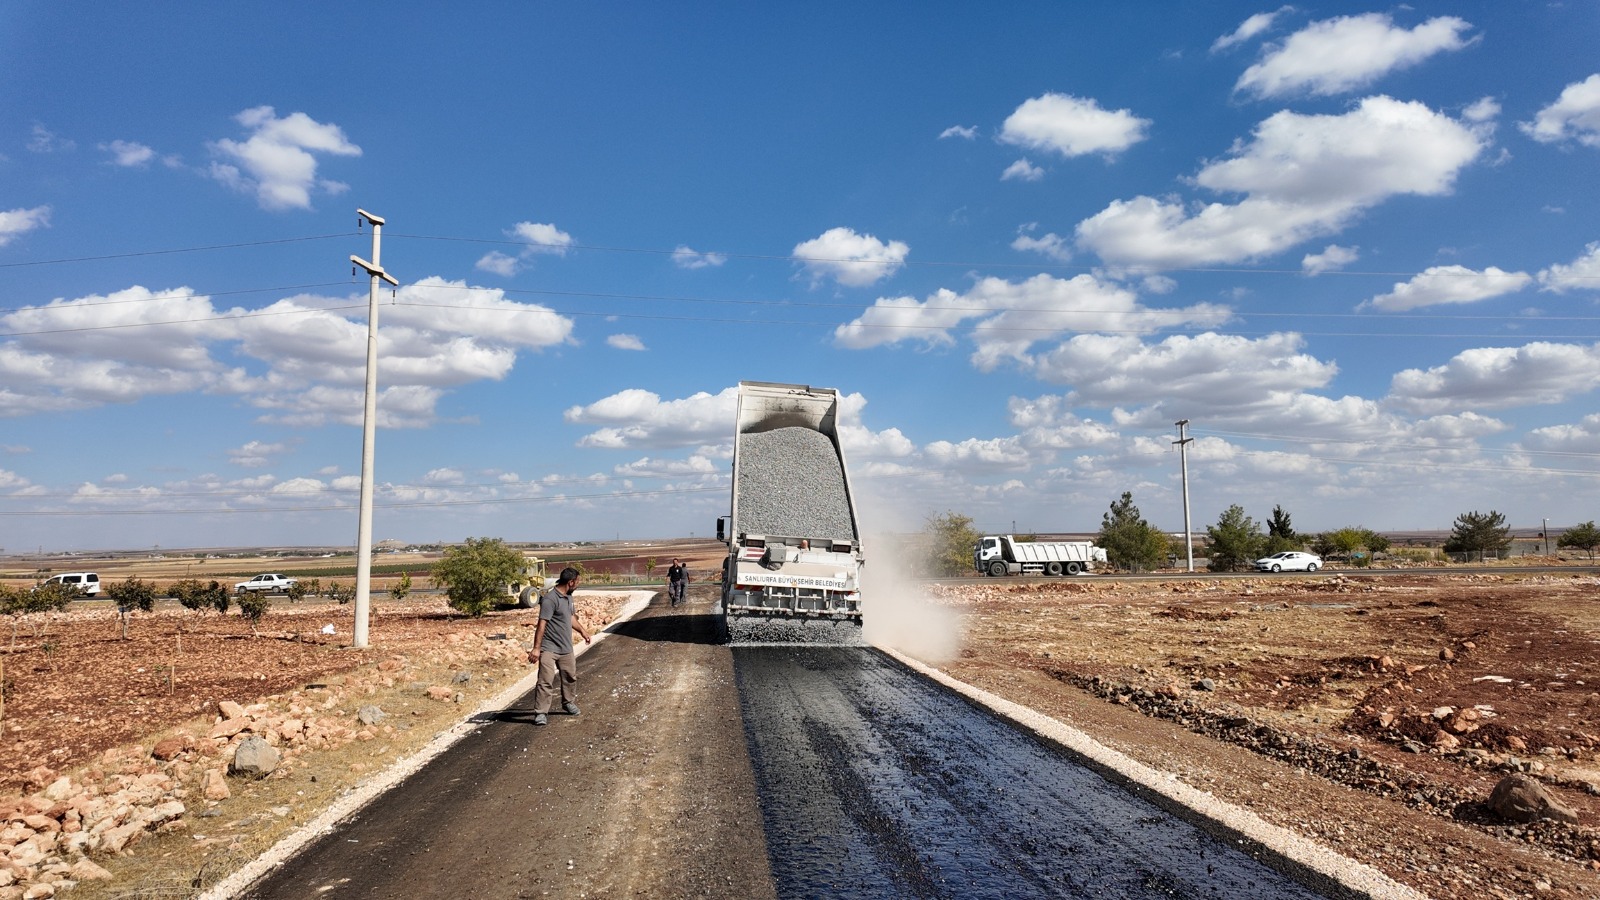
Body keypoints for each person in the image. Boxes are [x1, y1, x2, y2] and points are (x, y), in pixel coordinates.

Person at [528, 567, 591, 726]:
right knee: (545, 680)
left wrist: (583, 631)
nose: (578, 584)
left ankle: (568, 702)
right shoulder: (550, 599)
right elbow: (542, 624)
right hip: (549, 648)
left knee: (570, 677)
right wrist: (536, 648)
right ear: (570, 582)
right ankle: (541, 712)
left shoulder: (568, 597)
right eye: (577, 582)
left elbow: (570, 617)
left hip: (566, 648)